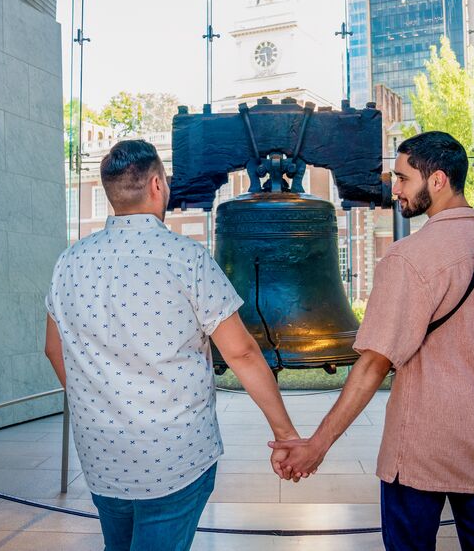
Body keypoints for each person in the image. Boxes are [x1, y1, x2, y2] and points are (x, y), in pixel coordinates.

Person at [269, 131, 474, 551]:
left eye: (402, 178)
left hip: (418, 452)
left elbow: (372, 366)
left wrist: (316, 446)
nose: (394, 189)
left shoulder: (408, 258)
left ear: (437, 180)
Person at [44, 139, 301, 551]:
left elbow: (54, 350)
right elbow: (242, 353)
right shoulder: (186, 258)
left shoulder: (69, 262)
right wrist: (285, 434)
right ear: (158, 186)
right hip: (175, 456)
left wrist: (100, 401)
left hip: (100, 453)